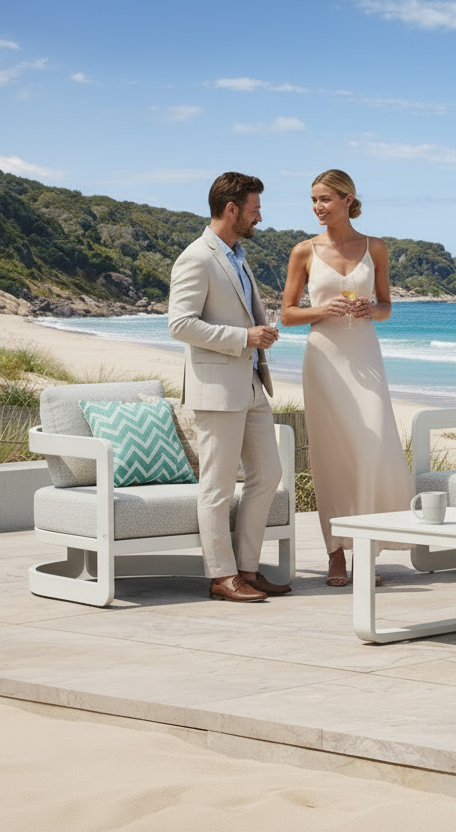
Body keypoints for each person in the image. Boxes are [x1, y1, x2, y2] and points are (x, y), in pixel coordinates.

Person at [280, 169, 412, 588]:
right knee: (331, 455)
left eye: (325, 199)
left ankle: (366, 551)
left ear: (348, 199)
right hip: (324, 361)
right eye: (314, 200)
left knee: (371, 449)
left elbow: (387, 307)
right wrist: (322, 311)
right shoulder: (303, 251)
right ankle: (335, 553)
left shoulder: (375, 247)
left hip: (365, 357)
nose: (318, 207)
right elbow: (286, 314)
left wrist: (370, 309)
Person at [169, 172, 288, 602]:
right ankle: (221, 576)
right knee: (217, 485)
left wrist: (258, 336)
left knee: (268, 474)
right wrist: (244, 338)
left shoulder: (237, 255)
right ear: (232, 209)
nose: (260, 217)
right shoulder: (196, 258)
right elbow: (179, 324)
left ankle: (248, 569)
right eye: (254, 210)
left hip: (252, 383)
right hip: (217, 388)